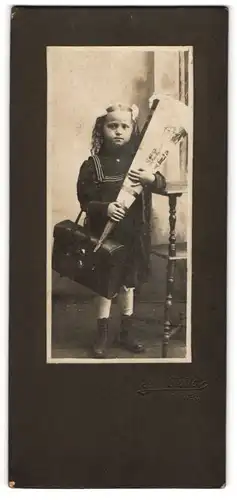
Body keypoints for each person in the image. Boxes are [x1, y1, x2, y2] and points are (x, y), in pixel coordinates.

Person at [77, 103, 166, 358]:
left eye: (124, 126)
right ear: (101, 129)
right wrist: (105, 208)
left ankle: (126, 333)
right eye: (112, 125)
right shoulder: (93, 164)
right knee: (105, 284)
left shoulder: (140, 163)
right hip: (105, 236)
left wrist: (152, 180)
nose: (118, 131)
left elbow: (162, 184)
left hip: (134, 235)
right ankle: (102, 335)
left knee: (129, 284)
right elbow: (85, 200)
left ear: (132, 130)